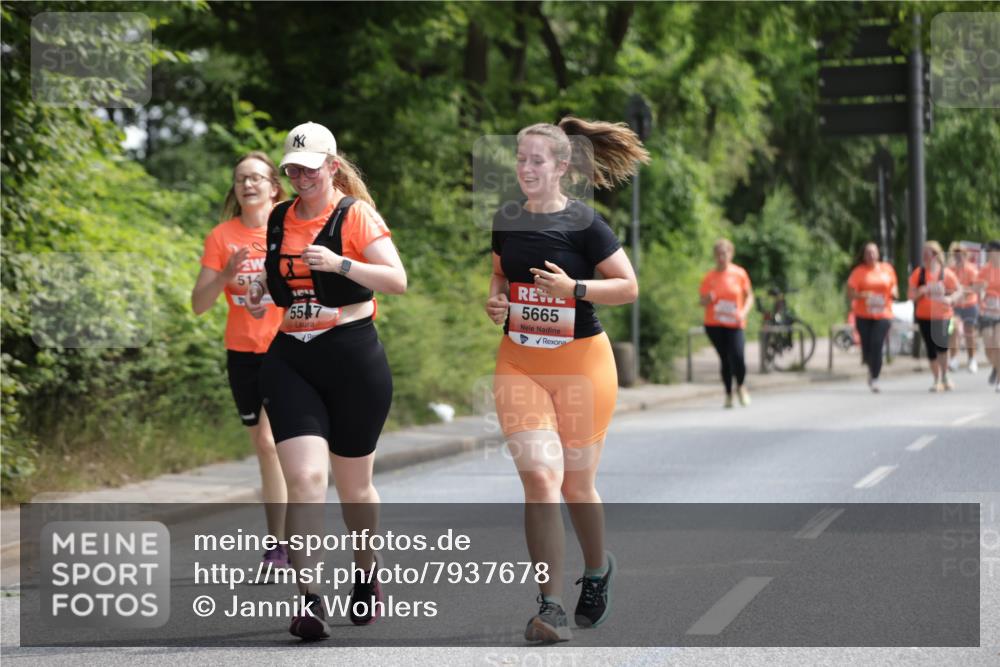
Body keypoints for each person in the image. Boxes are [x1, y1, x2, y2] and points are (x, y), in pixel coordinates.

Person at [486, 117, 646, 643]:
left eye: (537, 160)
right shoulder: (506, 220)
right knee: (539, 476)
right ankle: (549, 606)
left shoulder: (586, 224)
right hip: (520, 363)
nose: (526, 168)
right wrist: (496, 300)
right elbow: (499, 275)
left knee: (576, 485)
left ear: (561, 166)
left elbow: (626, 287)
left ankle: (597, 569)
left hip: (582, 365)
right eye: (521, 159)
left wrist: (573, 288)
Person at [246, 122, 407, 640]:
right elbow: (285, 288)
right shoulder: (277, 219)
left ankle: (365, 573)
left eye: (310, 168)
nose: (300, 177)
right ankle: (310, 600)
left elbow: (397, 281)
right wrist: (262, 296)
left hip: (353, 359)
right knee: (307, 480)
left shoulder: (355, 215)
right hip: (292, 358)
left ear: (332, 167)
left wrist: (341, 262)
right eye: (292, 168)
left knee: (355, 488)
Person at [191, 151, 290, 570]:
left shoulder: (288, 228)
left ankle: (286, 541)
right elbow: (199, 304)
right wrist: (225, 271)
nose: (247, 185)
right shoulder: (222, 237)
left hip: (288, 347)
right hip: (242, 352)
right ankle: (278, 541)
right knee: (263, 447)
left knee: (274, 443)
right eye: (239, 179)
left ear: (273, 186)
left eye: (255, 178)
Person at [699, 238, 754, 407]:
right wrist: (708, 299)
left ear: (731, 254)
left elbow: (749, 295)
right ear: (715, 256)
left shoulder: (739, 273)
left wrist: (743, 312)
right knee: (725, 359)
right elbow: (701, 301)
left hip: (735, 323)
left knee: (738, 356)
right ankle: (728, 393)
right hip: (714, 324)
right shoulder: (709, 277)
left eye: (725, 253)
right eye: (718, 254)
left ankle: (741, 386)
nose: (722, 257)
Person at [908, 241, 961, 392]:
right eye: (923, 252)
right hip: (924, 315)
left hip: (943, 315)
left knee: (942, 347)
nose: (925, 255)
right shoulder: (919, 273)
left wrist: (951, 299)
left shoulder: (946, 273)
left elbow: (959, 290)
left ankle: (945, 376)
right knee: (931, 349)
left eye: (928, 252)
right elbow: (911, 295)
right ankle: (936, 379)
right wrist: (922, 290)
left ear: (936, 254)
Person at [846, 242, 898, 393]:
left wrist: (894, 292)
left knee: (877, 344)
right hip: (863, 314)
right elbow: (850, 293)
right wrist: (863, 295)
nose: (871, 255)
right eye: (868, 253)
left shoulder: (887, 269)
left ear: (878, 254)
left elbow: (894, 286)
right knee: (867, 347)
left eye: (873, 252)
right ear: (864, 255)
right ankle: (870, 365)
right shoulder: (859, 272)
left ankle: (875, 377)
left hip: (883, 313)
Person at [948, 244, 981, 374]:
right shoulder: (951, 270)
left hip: (969, 304)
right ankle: (954, 359)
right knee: (953, 330)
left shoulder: (971, 269)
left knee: (969, 332)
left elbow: (974, 288)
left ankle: (972, 359)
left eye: (960, 253)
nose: (958, 256)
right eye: (955, 254)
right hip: (955, 306)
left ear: (965, 255)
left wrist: (961, 292)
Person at [973, 240, 1000, 392]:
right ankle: (996, 367)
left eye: (991, 251)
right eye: (988, 251)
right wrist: (980, 288)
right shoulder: (984, 270)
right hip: (987, 312)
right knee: (989, 348)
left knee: (997, 343)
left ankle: (999, 379)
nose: (988, 254)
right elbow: (975, 288)